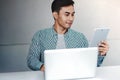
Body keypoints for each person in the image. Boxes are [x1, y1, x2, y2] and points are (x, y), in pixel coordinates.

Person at [27, 0, 109, 72]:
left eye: (72, 14)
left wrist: (101, 54)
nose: (71, 19)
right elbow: (31, 59)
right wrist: (42, 67)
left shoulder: (80, 38)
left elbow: (90, 65)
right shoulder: (40, 35)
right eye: (67, 14)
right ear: (55, 15)